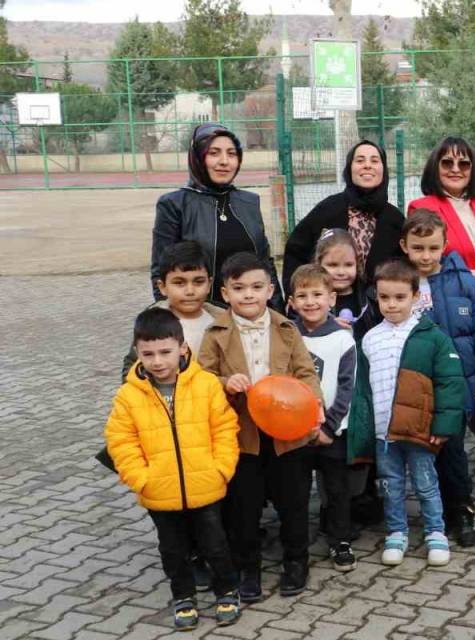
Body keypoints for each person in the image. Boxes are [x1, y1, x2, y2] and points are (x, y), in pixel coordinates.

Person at [406, 136, 475, 546]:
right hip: (451, 312)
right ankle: (452, 501)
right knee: (450, 411)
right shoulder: (424, 209)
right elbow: (427, 262)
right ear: (435, 167)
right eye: (448, 163)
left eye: (464, 164)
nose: (456, 170)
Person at [198, 252, 323, 603]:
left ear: (270, 289)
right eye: (239, 288)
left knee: (293, 502)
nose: (248, 295)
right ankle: (248, 567)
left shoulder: (286, 328)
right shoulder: (216, 333)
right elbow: (201, 376)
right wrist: (225, 382)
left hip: (287, 435)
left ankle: (296, 561)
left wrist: (313, 406)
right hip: (242, 436)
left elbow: (306, 374)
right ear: (225, 293)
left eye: (256, 287)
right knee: (244, 506)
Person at [105, 308, 241, 630]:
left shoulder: (206, 385)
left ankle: (227, 591)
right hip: (159, 492)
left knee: (216, 544)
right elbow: (120, 441)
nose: (157, 361)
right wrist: (141, 479)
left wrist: (221, 469)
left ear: (182, 348)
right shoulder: (128, 396)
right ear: (137, 353)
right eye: (147, 354)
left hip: (206, 486)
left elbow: (224, 428)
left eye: (165, 352)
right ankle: (183, 597)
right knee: (173, 551)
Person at [346, 259, 468, 567]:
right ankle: (396, 532)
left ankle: (435, 532)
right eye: (385, 297)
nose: (391, 304)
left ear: (415, 296)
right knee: (391, 484)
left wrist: (443, 424)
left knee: (426, 482)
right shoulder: (370, 339)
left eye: (399, 297)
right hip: (384, 433)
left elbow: (450, 383)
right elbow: (363, 392)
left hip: (419, 430)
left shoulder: (432, 336)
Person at [398, 210, 475, 502]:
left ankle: (461, 513)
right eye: (418, 248)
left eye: (433, 248)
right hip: (415, 385)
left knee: (453, 450)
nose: (425, 255)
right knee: (421, 454)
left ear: (445, 245)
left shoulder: (465, 283)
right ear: (404, 246)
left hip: (455, 385)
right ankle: (432, 515)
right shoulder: (397, 285)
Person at [152, 123, 282, 309]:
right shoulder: (174, 204)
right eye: (214, 153)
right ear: (197, 156)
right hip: (201, 318)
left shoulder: (249, 202)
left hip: (250, 315)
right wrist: (170, 322)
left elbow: (265, 264)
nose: (224, 161)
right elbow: (161, 270)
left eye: (231, 153)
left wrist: (279, 315)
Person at [288, 264, 359, 572]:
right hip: (294, 431)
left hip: (332, 431)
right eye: (302, 295)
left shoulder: (343, 340)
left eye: (317, 294)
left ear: (332, 299)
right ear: (291, 301)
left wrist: (329, 426)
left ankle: (340, 539)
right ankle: (296, 541)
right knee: (297, 490)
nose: (310, 302)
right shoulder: (286, 335)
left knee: (337, 489)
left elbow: (347, 387)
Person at [283, 140, 405, 296]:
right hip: (326, 311)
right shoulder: (328, 210)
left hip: (380, 312)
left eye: (374, 160)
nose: (367, 165)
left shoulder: (394, 219)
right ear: (349, 169)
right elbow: (296, 252)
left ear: (383, 169)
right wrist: (294, 296)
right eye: (360, 160)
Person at [121, 241, 222, 382]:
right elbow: (132, 366)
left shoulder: (222, 321)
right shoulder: (153, 322)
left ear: (209, 285)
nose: (190, 291)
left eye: (198, 282)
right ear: (162, 287)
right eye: (179, 283)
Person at [312, 229, 365, 320]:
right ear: (319, 263)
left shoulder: (369, 298)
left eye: (348, 265)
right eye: (333, 265)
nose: (341, 272)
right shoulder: (309, 301)